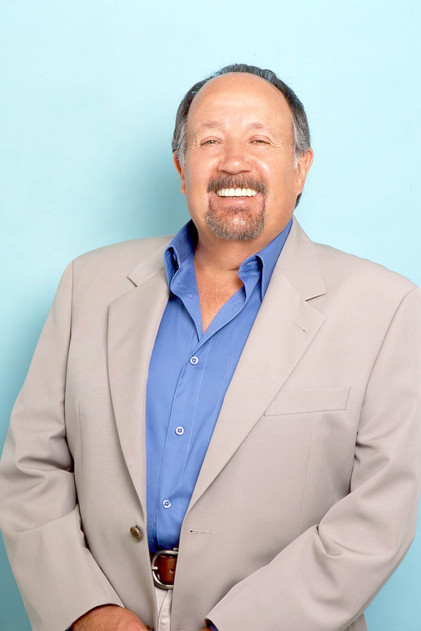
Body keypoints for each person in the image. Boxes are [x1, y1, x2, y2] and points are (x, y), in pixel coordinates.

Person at [0, 63, 420, 631]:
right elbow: (32, 467)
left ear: (301, 167)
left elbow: (378, 516)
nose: (233, 162)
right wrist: (88, 611)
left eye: (260, 140)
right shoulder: (87, 286)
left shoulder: (387, 308)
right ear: (182, 167)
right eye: (210, 141)